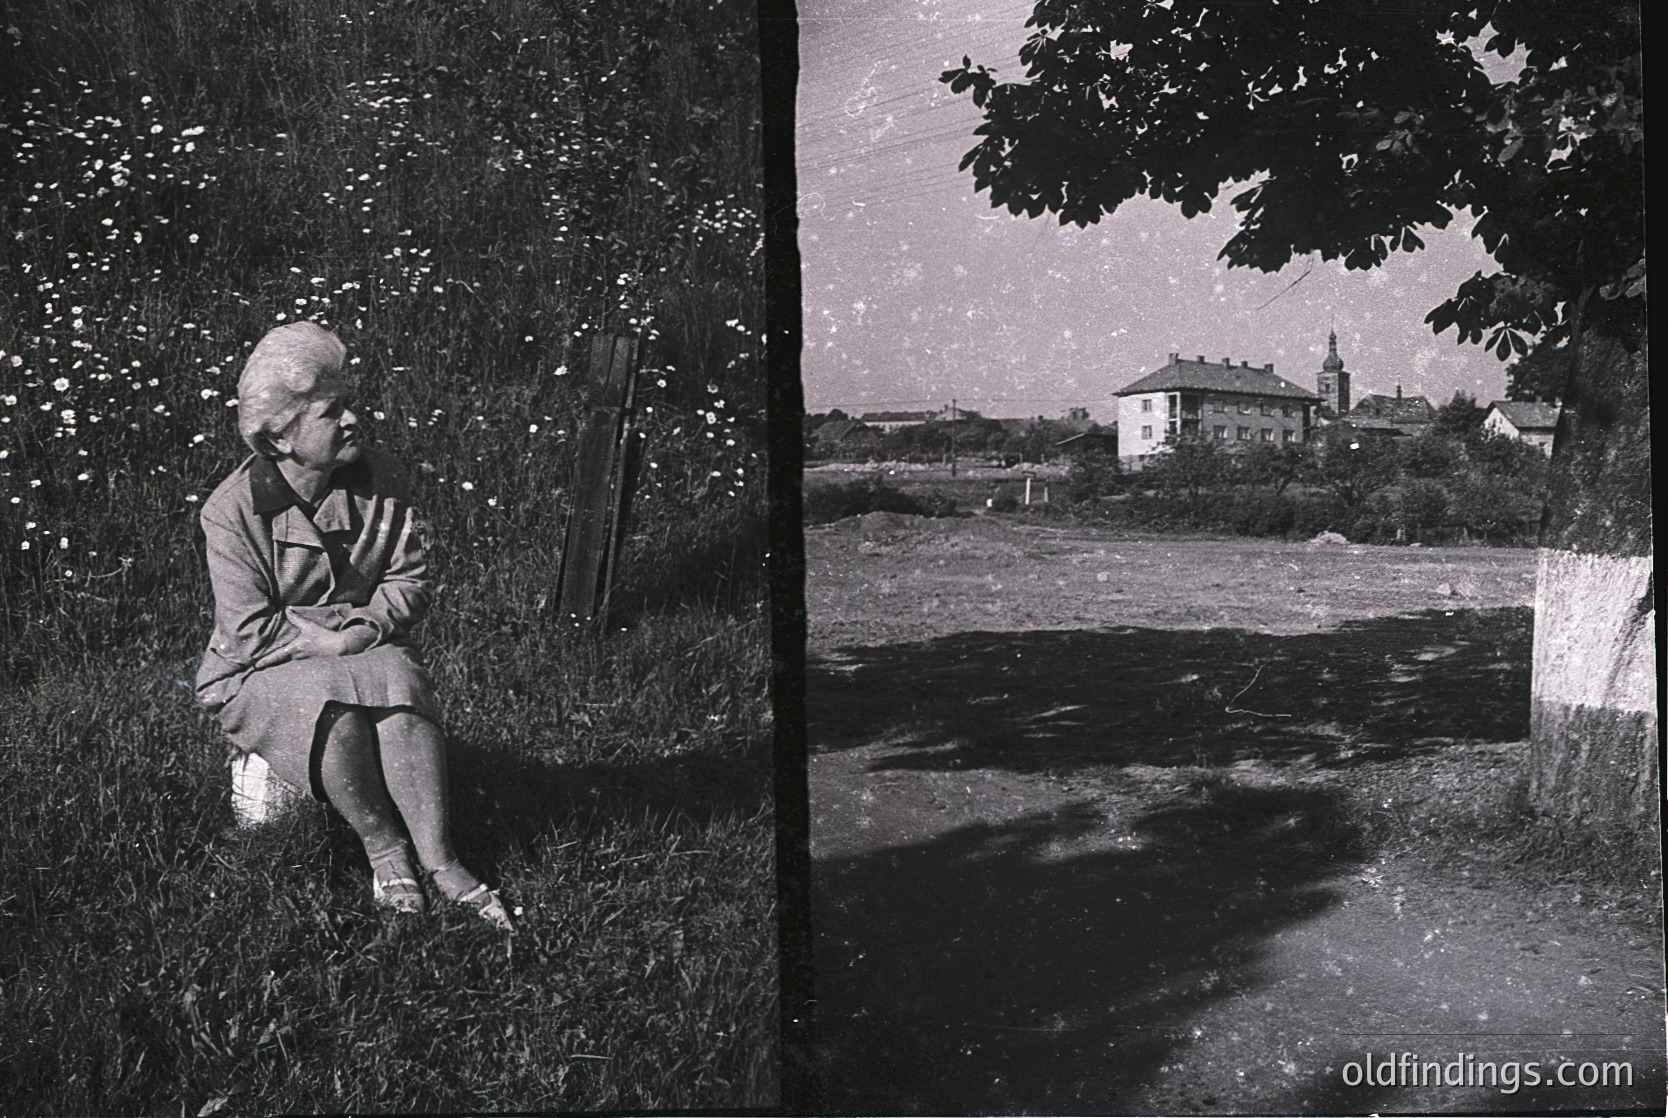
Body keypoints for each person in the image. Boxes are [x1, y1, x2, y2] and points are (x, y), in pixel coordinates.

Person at [195, 321, 510, 931]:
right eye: (330, 411)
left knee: (401, 693)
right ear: (279, 439)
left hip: (359, 642)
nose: (351, 421)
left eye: (350, 404)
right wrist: (337, 647)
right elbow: (250, 630)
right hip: (260, 667)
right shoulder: (230, 512)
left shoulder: (380, 481)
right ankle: (385, 849)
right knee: (331, 706)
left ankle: (442, 860)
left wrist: (355, 636)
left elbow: (409, 581)